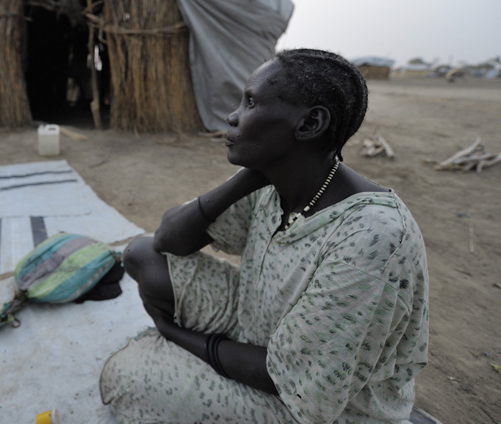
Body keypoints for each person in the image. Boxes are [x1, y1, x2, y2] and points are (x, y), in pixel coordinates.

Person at [100, 49, 429, 423]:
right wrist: (248, 176)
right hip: (258, 325)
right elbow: (168, 241)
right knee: (142, 254)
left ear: (309, 124)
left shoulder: (373, 238)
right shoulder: (276, 181)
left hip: (321, 405)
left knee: (126, 376)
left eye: (251, 101)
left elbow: (291, 377)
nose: (233, 115)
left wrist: (174, 335)